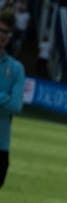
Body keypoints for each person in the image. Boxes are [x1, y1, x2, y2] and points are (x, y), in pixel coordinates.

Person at [0, 11, 24, 190]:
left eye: (7, 33)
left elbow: (16, 105)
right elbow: (9, 103)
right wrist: (3, 97)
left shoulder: (16, 68)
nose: (3, 36)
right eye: (0, 30)